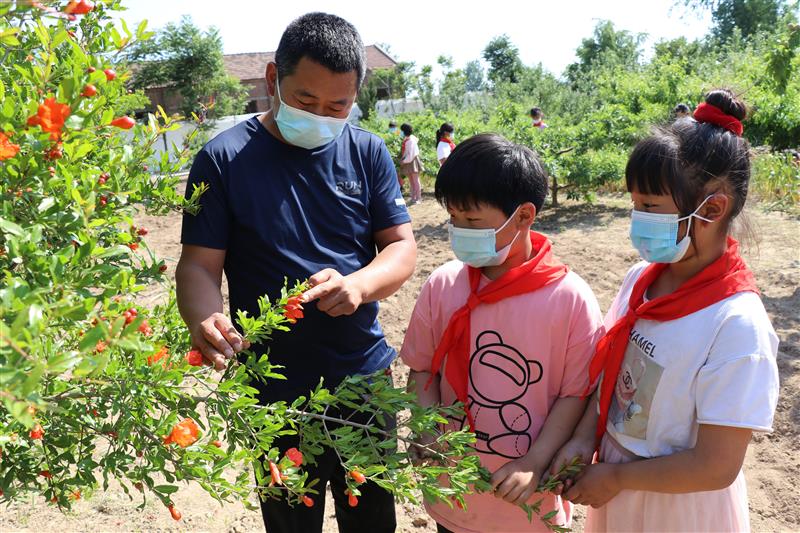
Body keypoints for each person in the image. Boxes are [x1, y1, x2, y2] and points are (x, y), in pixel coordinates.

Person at [176, 12, 417, 533]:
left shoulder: (367, 151)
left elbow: (401, 248)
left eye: (338, 105)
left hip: (361, 380)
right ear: (272, 80)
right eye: (306, 101)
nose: (322, 115)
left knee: (372, 519)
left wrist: (359, 284)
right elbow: (198, 265)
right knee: (288, 522)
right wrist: (205, 317)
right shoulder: (222, 160)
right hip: (272, 387)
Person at [550, 89, 780, 532]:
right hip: (615, 487)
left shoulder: (735, 326)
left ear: (711, 209)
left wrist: (616, 477)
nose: (638, 219)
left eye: (651, 207)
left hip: (677, 510)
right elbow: (612, 375)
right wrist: (584, 438)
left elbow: (715, 466)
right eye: (635, 204)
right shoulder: (642, 279)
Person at [400, 133, 605, 533]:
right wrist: (427, 429)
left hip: (528, 505)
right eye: (454, 219)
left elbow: (574, 395)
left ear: (524, 216)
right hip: (453, 494)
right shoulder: (444, 285)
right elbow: (423, 370)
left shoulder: (569, 299)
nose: (460, 230)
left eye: (473, 221)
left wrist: (534, 461)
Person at [399, 123, 424, 205]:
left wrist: (404, 161)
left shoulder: (411, 141)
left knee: (415, 180)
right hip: (408, 161)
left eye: (401, 131)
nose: (400, 132)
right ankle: (413, 197)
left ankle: (419, 198)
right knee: (411, 180)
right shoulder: (408, 139)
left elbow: (412, 154)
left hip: (412, 161)